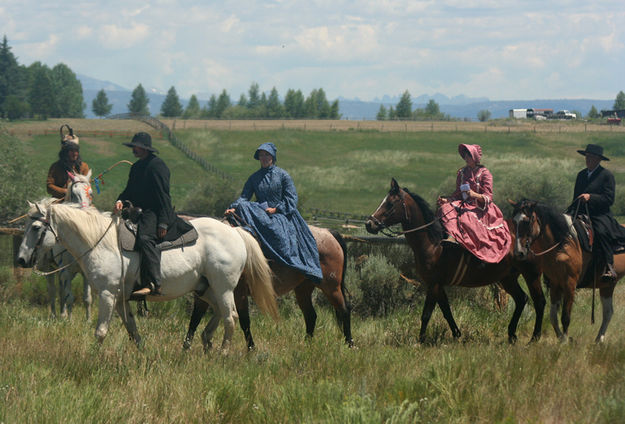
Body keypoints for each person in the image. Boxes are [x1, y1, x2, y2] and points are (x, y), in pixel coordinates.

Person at [225, 142, 323, 282]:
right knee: (243, 206)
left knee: (278, 236)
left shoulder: (283, 175)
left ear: (273, 157)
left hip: (281, 215)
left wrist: (276, 209)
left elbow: (291, 199)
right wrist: (233, 207)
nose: (264, 158)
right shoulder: (254, 178)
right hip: (261, 214)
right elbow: (244, 197)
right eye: (261, 155)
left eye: (267, 155)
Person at [114, 132, 175, 296]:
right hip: (136, 211)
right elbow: (129, 191)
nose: (134, 149)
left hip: (153, 212)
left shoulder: (157, 166)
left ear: (145, 149)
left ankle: (155, 283)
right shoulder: (136, 167)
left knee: (145, 238)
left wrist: (163, 222)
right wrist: (120, 200)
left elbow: (164, 196)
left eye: (137, 147)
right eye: (133, 146)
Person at [437, 143, 511, 263]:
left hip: (481, 208)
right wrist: (446, 200)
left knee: (467, 218)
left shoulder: (485, 173)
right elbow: (457, 194)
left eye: (469, 155)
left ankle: (474, 250)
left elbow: (488, 197)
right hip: (463, 204)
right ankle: (450, 237)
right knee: (444, 209)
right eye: (465, 155)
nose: (466, 158)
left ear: (475, 157)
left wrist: (474, 195)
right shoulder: (461, 173)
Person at [567, 143, 625, 281]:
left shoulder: (606, 175)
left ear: (598, 159)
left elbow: (609, 199)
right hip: (580, 212)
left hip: (599, 214)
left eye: (591, 157)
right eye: (587, 157)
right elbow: (576, 196)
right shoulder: (581, 175)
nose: (588, 160)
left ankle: (608, 266)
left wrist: (591, 197)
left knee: (601, 231)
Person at [46, 133, 90, 199]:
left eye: (76, 151)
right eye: (71, 151)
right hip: (59, 201)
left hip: (80, 200)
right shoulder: (55, 167)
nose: (75, 154)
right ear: (65, 152)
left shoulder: (84, 166)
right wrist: (65, 191)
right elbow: (49, 186)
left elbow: (86, 186)